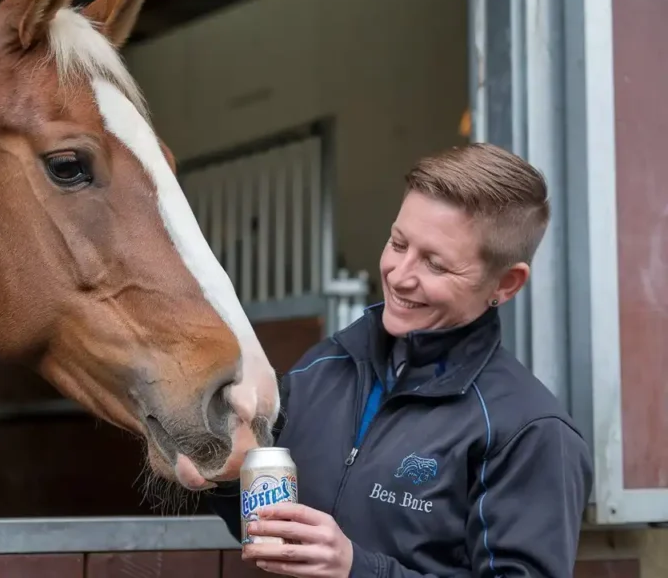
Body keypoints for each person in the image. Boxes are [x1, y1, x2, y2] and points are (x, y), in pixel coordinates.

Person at [203, 143, 594, 577]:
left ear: (506, 282)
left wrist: (360, 569)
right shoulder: (322, 367)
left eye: (435, 264)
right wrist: (219, 476)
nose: (399, 274)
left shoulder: (528, 431)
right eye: (398, 242)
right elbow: (271, 531)